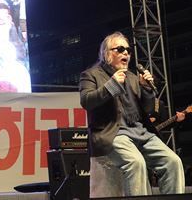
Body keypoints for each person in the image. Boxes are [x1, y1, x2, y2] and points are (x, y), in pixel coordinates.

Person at [79, 32, 184, 196]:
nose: (126, 53)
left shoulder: (133, 77)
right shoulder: (91, 74)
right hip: (114, 133)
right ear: (107, 54)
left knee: (173, 162)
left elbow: (148, 110)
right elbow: (87, 101)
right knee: (136, 162)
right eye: (120, 49)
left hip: (140, 132)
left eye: (128, 50)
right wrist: (112, 85)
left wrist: (147, 89)